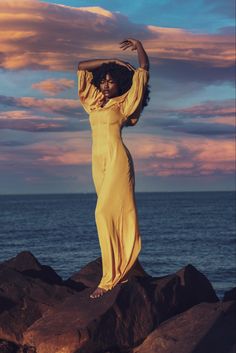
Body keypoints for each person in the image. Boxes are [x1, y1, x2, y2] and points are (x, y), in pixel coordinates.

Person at [77, 38, 150, 298]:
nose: (106, 84)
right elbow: (82, 67)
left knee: (103, 214)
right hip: (98, 163)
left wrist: (139, 45)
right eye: (103, 80)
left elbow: (143, 70)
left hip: (118, 160)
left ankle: (109, 279)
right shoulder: (93, 102)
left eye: (111, 79)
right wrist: (112, 62)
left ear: (121, 83)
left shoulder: (124, 103)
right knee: (107, 215)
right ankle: (123, 271)